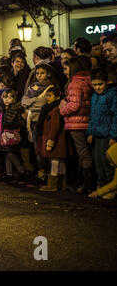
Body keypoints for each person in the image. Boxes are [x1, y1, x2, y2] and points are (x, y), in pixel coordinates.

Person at [59, 57, 94, 193]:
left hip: (77, 123)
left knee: (82, 153)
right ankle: (86, 182)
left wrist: (62, 109)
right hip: (86, 121)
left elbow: (74, 105)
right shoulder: (87, 80)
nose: (63, 71)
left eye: (66, 68)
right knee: (86, 152)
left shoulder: (75, 83)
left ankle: (86, 184)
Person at [21, 62, 56, 182]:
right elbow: (23, 101)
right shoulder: (32, 86)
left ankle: (46, 174)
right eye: (37, 73)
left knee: (43, 148)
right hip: (32, 122)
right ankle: (40, 173)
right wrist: (34, 102)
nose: (39, 76)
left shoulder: (51, 87)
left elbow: (41, 104)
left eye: (42, 73)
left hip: (43, 120)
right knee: (37, 149)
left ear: (48, 74)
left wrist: (31, 104)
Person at [85, 68, 117, 191]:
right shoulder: (94, 97)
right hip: (97, 134)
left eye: (100, 84)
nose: (97, 87)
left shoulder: (112, 95)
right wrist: (90, 132)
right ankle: (101, 185)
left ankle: (110, 188)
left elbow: (115, 115)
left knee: (107, 162)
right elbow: (93, 115)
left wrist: (114, 136)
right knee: (97, 161)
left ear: (106, 82)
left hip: (107, 134)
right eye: (94, 85)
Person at [37, 87, 70, 191]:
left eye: (50, 96)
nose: (47, 98)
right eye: (47, 95)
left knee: (55, 161)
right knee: (60, 161)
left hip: (56, 140)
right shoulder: (56, 108)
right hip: (59, 139)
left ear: (57, 97)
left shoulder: (55, 109)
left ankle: (52, 185)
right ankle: (62, 184)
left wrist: (50, 142)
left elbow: (55, 126)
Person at [0, 89, 25, 184]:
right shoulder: (1, 109)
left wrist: (21, 120)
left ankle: (21, 171)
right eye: (5, 97)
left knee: (9, 154)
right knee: (6, 154)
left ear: (14, 99)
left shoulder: (16, 110)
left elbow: (20, 123)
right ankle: (9, 174)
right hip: (2, 136)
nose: (7, 99)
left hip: (11, 135)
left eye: (10, 97)